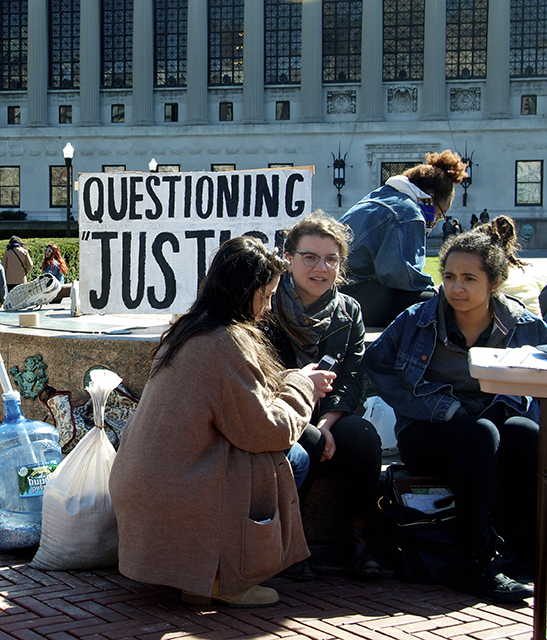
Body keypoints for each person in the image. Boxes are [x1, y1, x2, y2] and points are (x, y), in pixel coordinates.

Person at [110, 236, 336, 609]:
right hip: (179, 494)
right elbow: (268, 431)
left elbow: (234, 400)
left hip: (141, 487)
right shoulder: (227, 340)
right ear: (244, 291)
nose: (266, 307)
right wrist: (303, 386)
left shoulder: (189, 329)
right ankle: (224, 577)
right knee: (291, 456)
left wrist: (289, 382)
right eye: (265, 296)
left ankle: (203, 569)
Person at [365, 216, 544, 603]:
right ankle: (473, 562)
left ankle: (523, 551)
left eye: (468, 279)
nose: (455, 288)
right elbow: (376, 364)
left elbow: (537, 369)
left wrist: (504, 405)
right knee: (481, 433)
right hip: (428, 431)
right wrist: (437, 406)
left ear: (493, 283)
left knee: (527, 436)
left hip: (487, 424)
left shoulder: (524, 325)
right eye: (448, 277)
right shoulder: (418, 319)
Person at [264, 212, 383, 580]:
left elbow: (350, 378)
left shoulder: (349, 312)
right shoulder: (267, 306)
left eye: (331, 259)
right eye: (310, 257)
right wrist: (310, 421)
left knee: (362, 438)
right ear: (288, 258)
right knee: (310, 440)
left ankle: (358, 541)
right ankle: (289, 544)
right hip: (277, 414)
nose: (321, 267)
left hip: (326, 415)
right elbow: (261, 376)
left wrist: (328, 420)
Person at [339, 150, 469, 328]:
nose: (435, 221)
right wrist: (436, 289)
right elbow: (403, 278)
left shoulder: (380, 195)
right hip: (351, 295)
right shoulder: (408, 213)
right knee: (442, 302)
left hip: (338, 290)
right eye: (439, 214)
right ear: (430, 198)